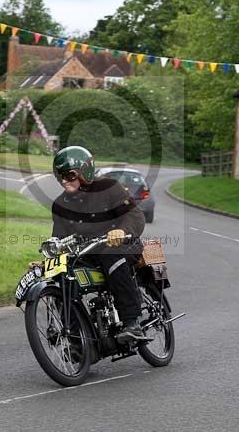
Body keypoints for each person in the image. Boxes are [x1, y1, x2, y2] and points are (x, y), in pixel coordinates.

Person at [50, 145, 151, 344]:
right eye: (60, 176)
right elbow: (59, 238)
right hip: (87, 253)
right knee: (61, 275)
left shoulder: (109, 187)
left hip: (122, 245)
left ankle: (132, 323)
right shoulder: (60, 205)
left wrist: (121, 231)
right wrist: (48, 258)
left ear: (84, 172)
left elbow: (135, 215)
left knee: (112, 258)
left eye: (69, 176)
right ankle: (78, 339)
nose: (64, 181)